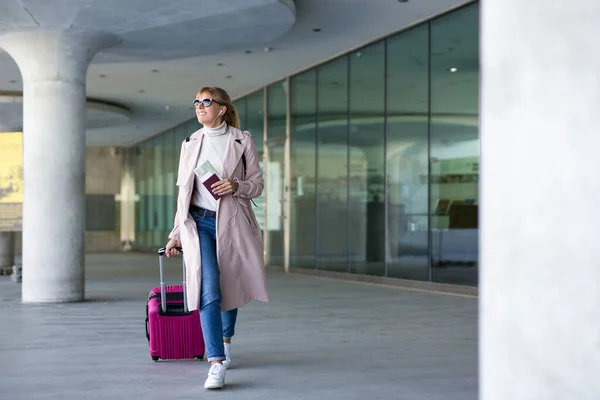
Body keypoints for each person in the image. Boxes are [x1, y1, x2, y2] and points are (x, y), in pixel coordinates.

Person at [164, 86, 269, 390]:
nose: (199, 106)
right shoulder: (190, 143)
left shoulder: (241, 139)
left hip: (232, 223)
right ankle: (216, 362)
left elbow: (257, 185)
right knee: (209, 288)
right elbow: (184, 192)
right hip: (198, 225)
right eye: (196, 101)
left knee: (230, 283)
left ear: (222, 108)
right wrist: (175, 234)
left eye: (206, 101)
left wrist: (235, 185)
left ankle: (225, 338)